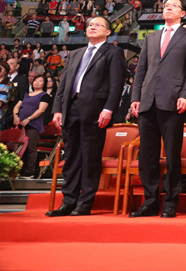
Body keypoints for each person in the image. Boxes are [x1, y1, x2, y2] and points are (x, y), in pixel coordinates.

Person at [130, 0, 186, 218]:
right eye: (166, 6)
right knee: (147, 155)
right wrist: (136, 97)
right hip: (147, 101)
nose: (168, 8)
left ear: (183, 13)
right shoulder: (152, 37)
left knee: (172, 155)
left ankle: (171, 201)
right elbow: (141, 70)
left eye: (173, 5)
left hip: (173, 101)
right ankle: (150, 201)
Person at [46, 16, 126, 217]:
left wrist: (109, 109)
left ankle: (85, 202)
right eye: (90, 25)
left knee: (90, 157)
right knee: (71, 157)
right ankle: (68, 201)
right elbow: (64, 84)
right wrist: (58, 109)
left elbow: (116, 84)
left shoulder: (113, 52)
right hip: (71, 108)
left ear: (108, 32)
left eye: (98, 25)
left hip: (96, 110)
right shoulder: (76, 53)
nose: (92, 27)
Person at [13, 74, 53, 179]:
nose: (37, 82)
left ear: (44, 84)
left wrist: (29, 119)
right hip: (21, 124)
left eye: (40, 81)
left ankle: (29, 172)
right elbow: (17, 106)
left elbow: (41, 110)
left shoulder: (45, 96)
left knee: (31, 147)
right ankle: (17, 170)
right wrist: (16, 116)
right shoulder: (26, 94)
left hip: (33, 125)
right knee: (18, 147)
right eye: (35, 80)